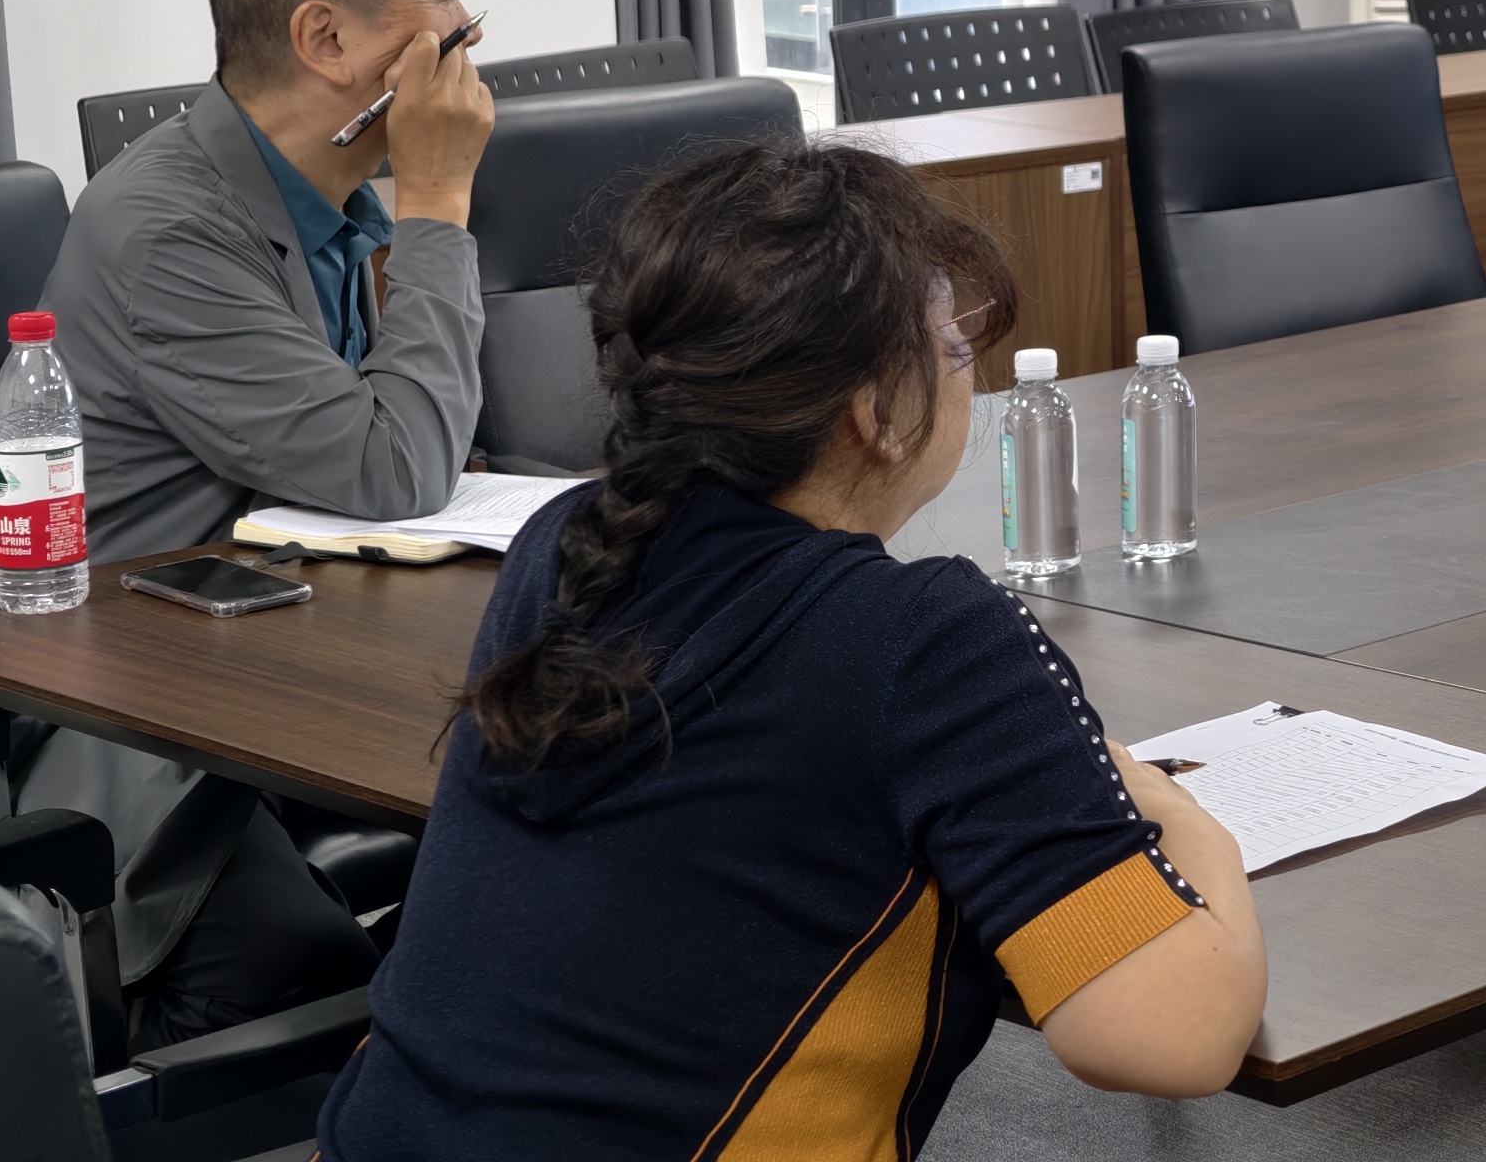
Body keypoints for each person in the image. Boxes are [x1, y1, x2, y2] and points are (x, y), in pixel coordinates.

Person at [316, 141, 1267, 1156]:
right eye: (954, 345)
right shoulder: (923, 638)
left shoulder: (564, 543)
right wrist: (1187, 820)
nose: (965, 368)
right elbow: (1170, 1038)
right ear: (876, 414)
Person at [0, 0, 492, 1044]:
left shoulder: (330, 210)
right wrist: (439, 202)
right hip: (117, 708)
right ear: (327, 39)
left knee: (546, 843)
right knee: (309, 974)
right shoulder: (172, 229)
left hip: (277, 644)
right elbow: (395, 470)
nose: (466, 28)